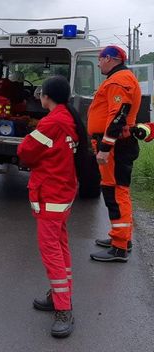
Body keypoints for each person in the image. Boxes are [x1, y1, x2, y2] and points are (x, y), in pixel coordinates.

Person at [17, 76, 86, 338]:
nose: (39, 97)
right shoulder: (68, 118)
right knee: (60, 245)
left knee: (51, 251)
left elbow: (25, 150)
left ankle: (64, 309)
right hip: (63, 191)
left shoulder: (52, 122)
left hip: (51, 194)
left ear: (47, 96)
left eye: (41, 93)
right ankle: (60, 294)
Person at [88, 46, 141, 262]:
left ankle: (119, 247)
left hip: (115, 145)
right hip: (115, 143)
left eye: (99, 60)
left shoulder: (119, 81)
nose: (98, 63)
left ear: (109, 59)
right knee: (114, 191)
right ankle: (121, 238)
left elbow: (118, 116)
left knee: (116, 193)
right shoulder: (118, 79)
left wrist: (105, 148)